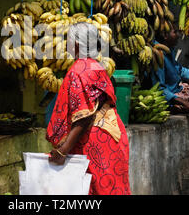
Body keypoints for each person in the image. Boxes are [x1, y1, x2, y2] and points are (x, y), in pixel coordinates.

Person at [46, 22, 131, 195]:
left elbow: (84, 115)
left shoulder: (80, 69)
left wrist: (63, 151)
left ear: (76, 44)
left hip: (96, 141)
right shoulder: (95, 65)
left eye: (67, 39)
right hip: (111, 135)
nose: (65, 43)